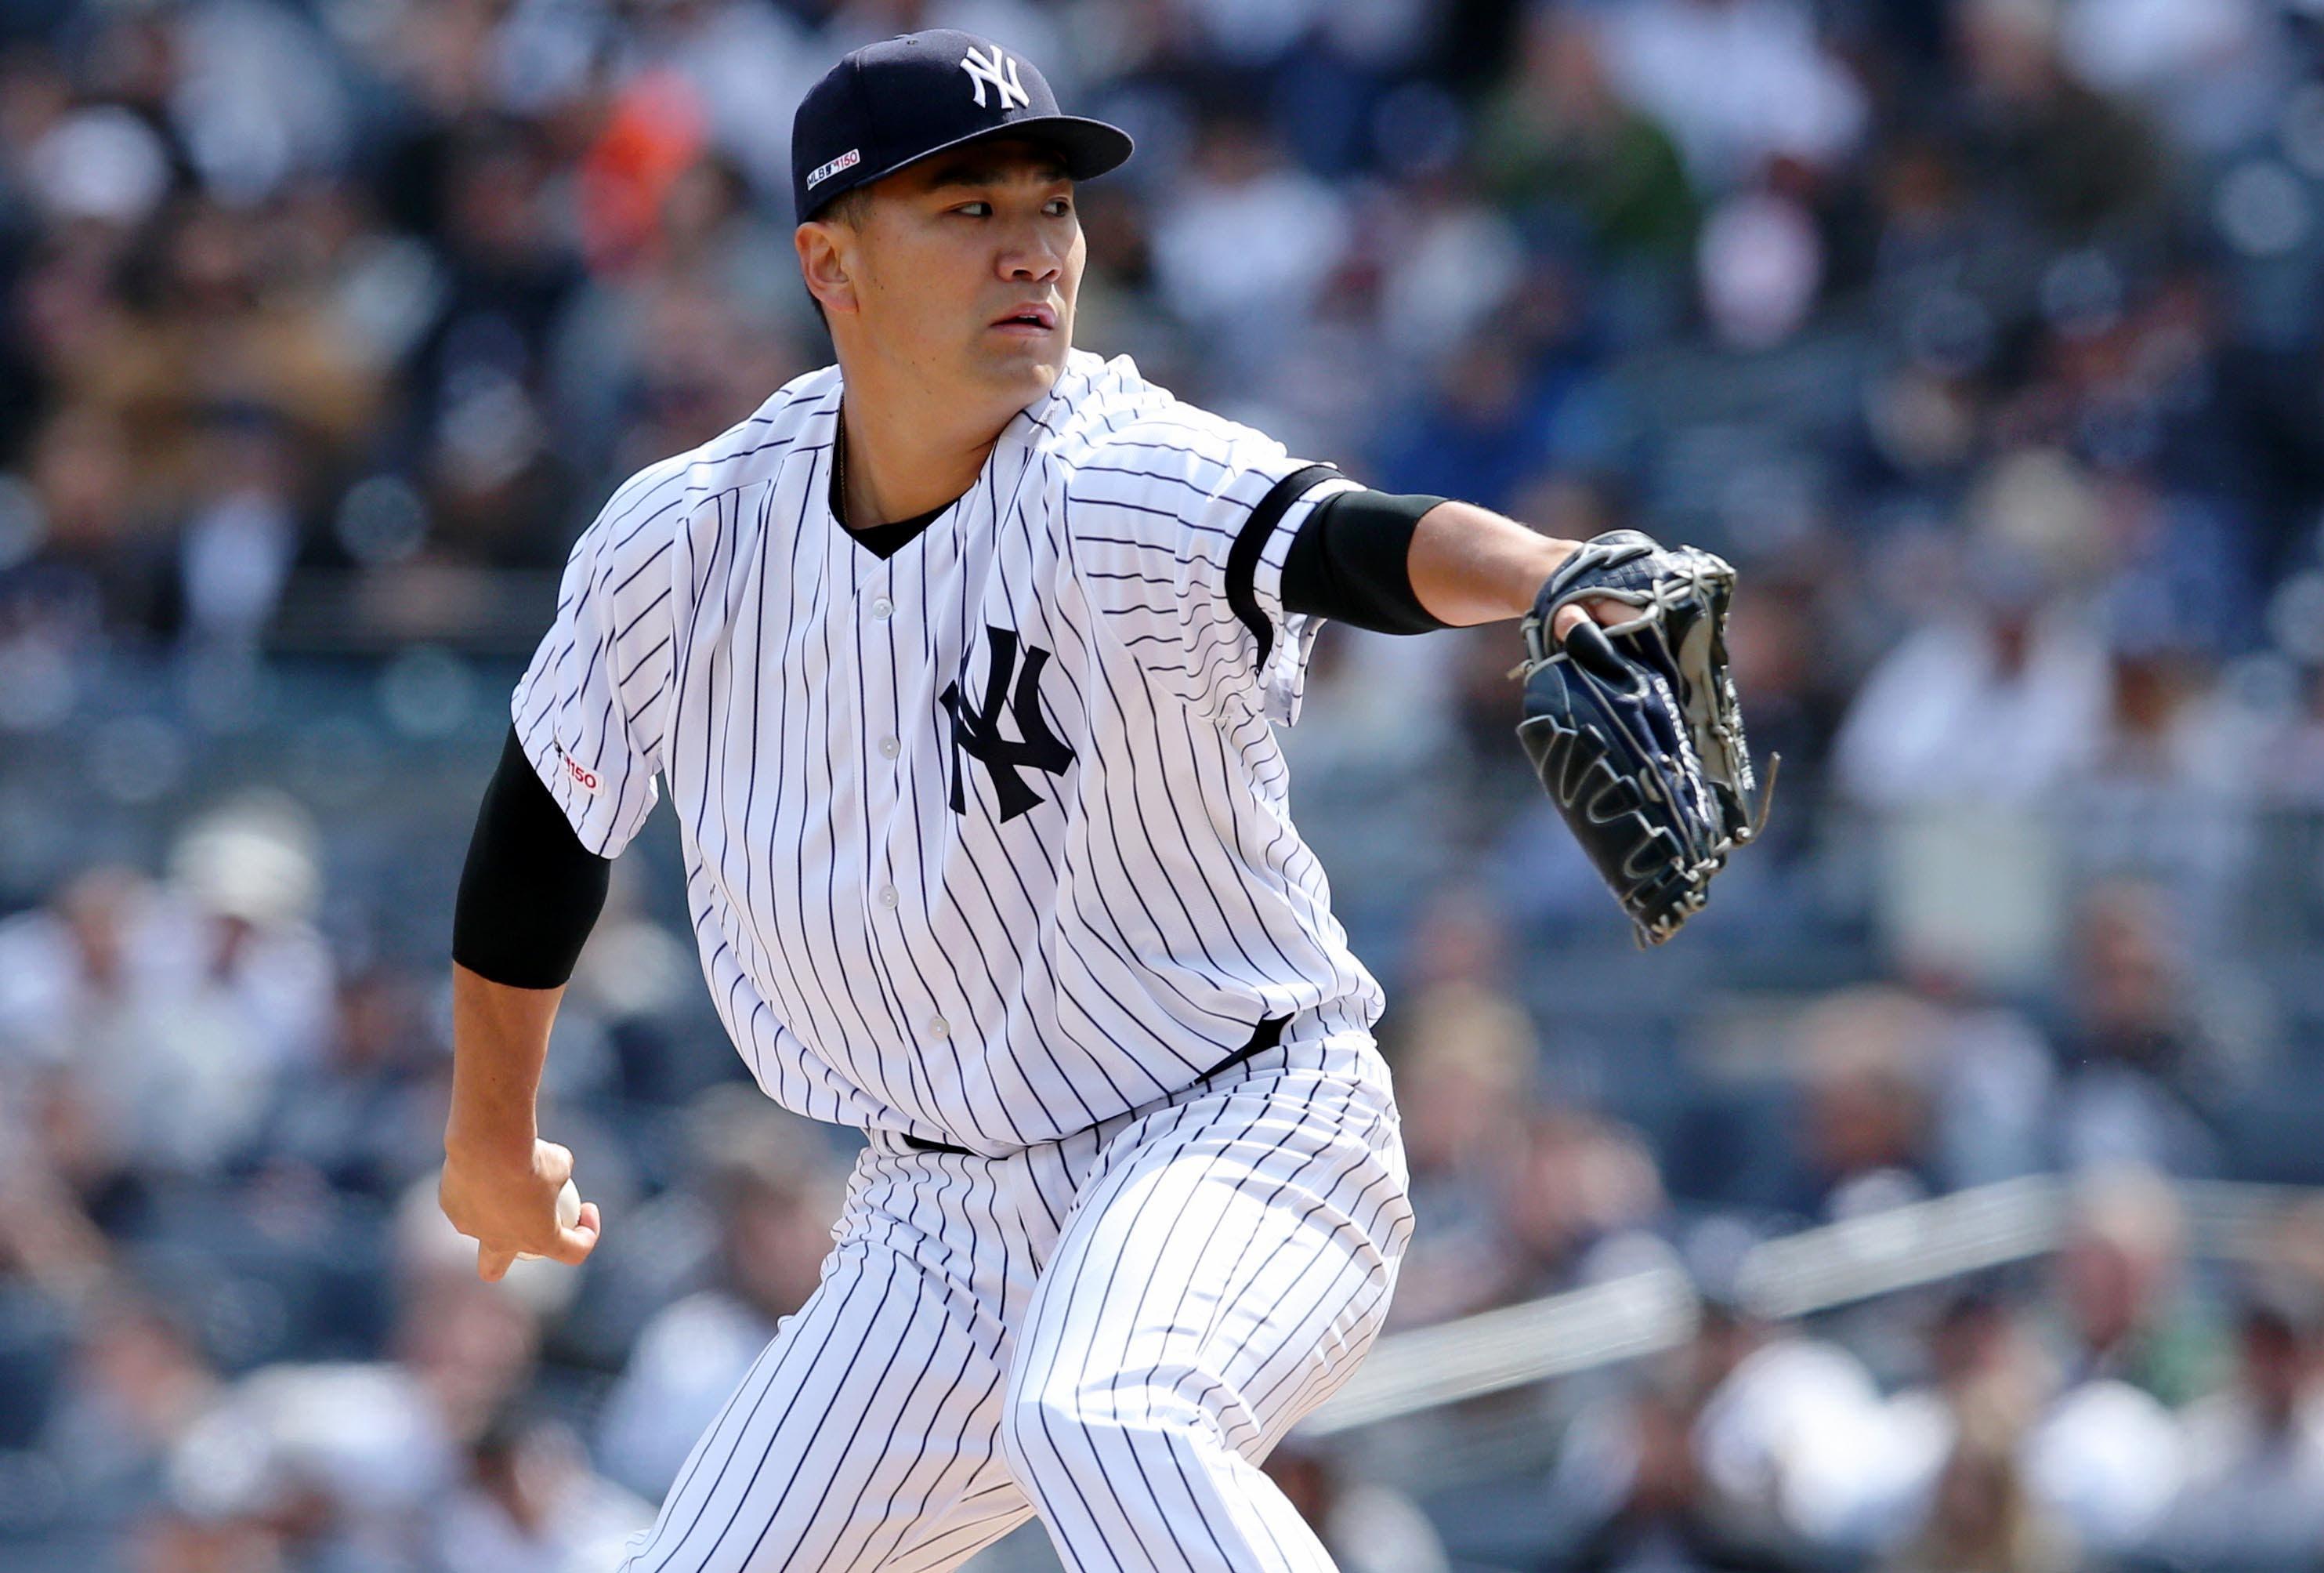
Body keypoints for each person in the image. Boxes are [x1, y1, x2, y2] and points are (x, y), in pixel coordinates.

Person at [437, 30, 1629, 1571]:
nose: (1031, 249)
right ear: (830, 259)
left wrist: (1545, 577)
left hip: (1232, 1121)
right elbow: (543, 821)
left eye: (1048, 206)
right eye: (966, 207)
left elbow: (1341, 537)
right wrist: (488, 1139)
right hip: (932, 1218)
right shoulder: (687, 534)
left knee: (1107, 1417)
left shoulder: (1113, 469)